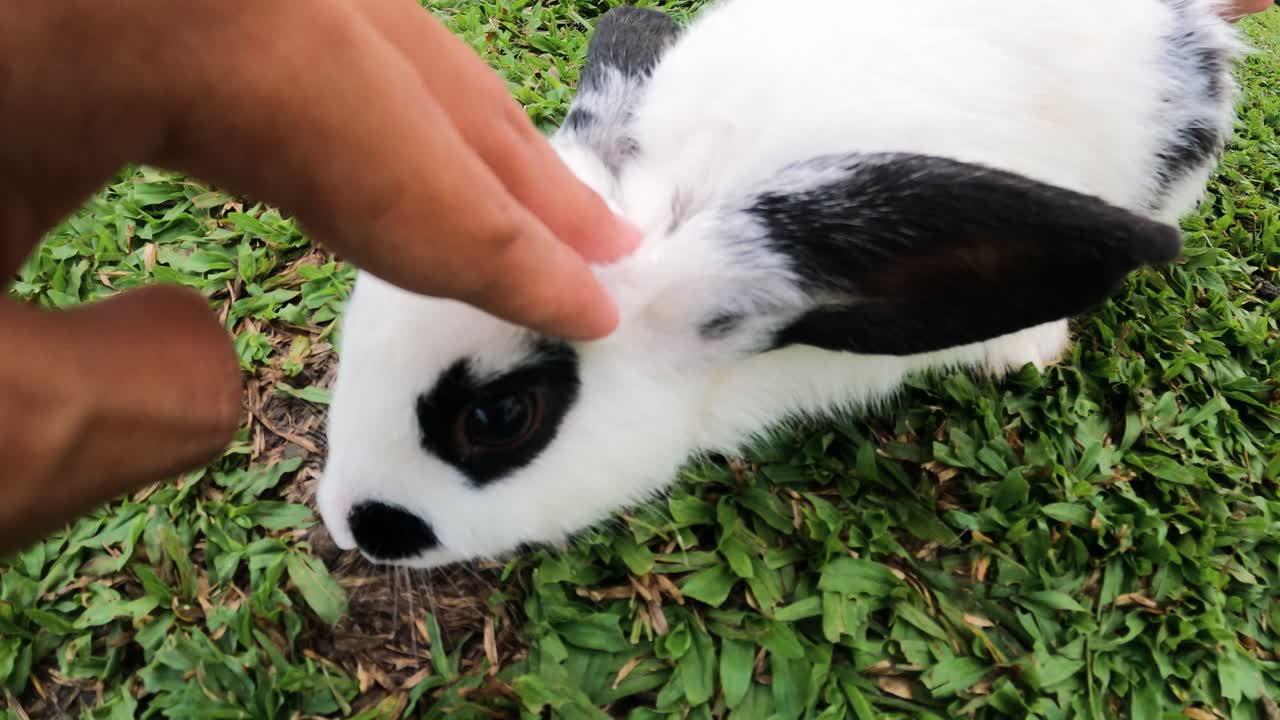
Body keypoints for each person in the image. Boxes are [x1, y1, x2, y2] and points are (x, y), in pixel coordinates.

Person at [0, 0, 1273, 558]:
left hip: (1134, 63)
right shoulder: (648, 146)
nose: (344, 518)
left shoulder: (742, 300)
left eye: (499, 418)